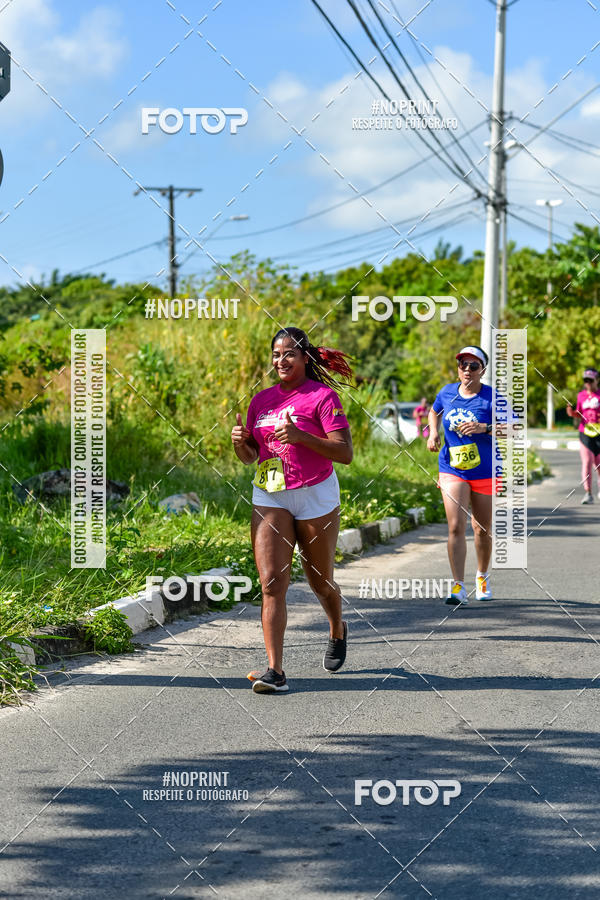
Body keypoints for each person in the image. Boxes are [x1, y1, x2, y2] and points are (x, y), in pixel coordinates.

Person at [231, 327, 354, 693]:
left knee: (319, 579)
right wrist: (240, 444)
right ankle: (275, 671)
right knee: (271, 582)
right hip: (271, 494)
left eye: (288, 354)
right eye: (275, 355)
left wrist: (302, 437)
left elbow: (344, 453)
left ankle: (337, 627)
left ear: (304, 358)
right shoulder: (261, 401)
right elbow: (252, 455)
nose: (280, 361)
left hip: (315, 494)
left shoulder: (322, 397)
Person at [427, 345, 501, 605]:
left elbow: (514, 428)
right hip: (452, 468)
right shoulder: (447, 392)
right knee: (456, 526)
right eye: (463, 365)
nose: (467, 370)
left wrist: (484, 427)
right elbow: (434, 411)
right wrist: (433, 432)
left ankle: (482, 576)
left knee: (481, 529)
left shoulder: (492, 397)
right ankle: (458, 586)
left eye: (473, 365)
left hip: (484, 471)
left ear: (482, 370)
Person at [566, 368, 600, 504]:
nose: (588, 383)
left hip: (598, 434)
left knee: (598, 465)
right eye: (586, 381)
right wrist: (570, 412)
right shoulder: (581, 396)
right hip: (584, 433)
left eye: (590, 380)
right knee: (586, 462)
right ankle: (588, 493)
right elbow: (578, 413)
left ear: (597, 380)